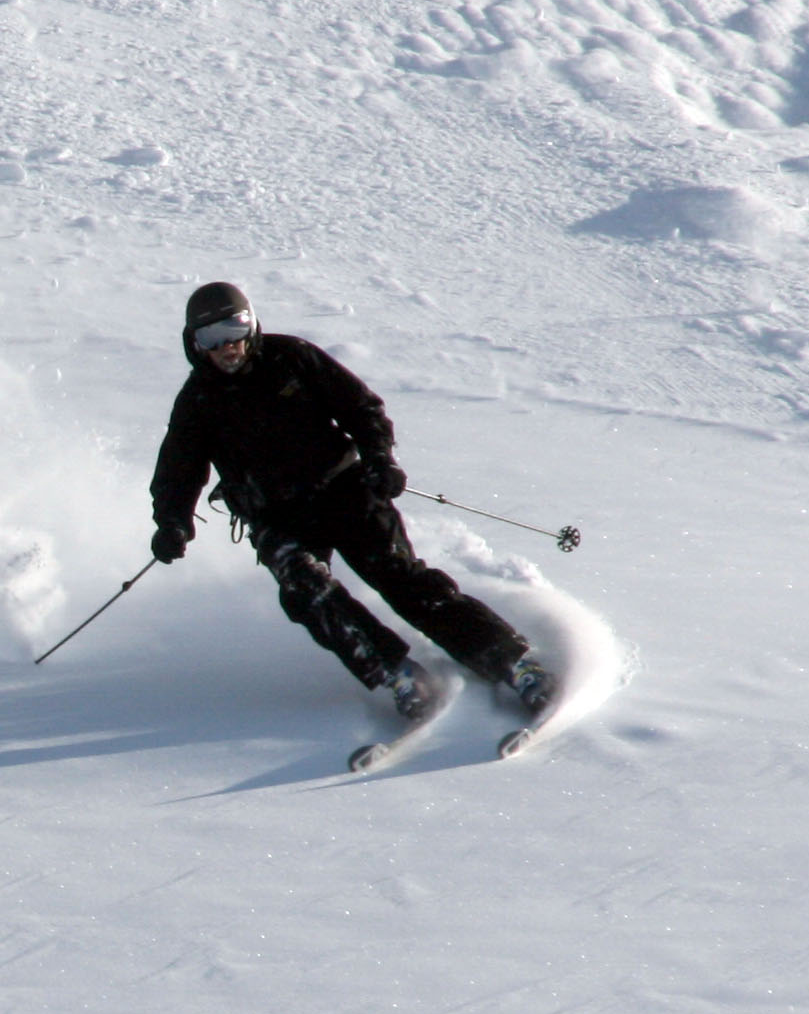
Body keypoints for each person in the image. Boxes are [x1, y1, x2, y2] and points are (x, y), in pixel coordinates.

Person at [149, 281, 555, 720]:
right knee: (304, 591)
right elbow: (178, 470)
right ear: (194, 344)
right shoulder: (197, 402)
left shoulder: (291, 358)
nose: (227, 345)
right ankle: (397, 673)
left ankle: (515, 664)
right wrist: (172, 522)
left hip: (342, 489)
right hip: (276, 515)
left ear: (251, 324)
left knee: (398, 577)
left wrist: (380, 459)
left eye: (234, 327)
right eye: (211, 337)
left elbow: (360, 408)